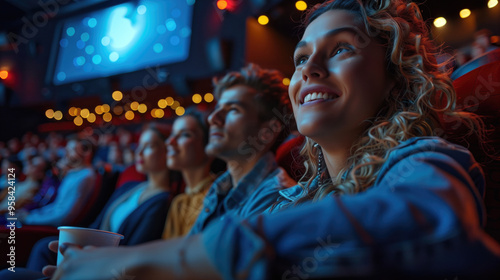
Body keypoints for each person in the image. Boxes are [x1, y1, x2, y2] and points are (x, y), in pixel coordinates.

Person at [45, 0, 500, 279]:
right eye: (301, 59)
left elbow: (433, 217)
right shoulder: (290, 200)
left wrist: (132, 265)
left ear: (395, 79)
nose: (310, 70)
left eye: (341, 48)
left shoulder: (422, 159)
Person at [0, 125, 173, 280]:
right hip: (93, 250)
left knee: (8, 275)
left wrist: (89, 258)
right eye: (139, 146)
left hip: (108, 263)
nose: (139, 153)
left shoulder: (162, 200)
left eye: (148, 146)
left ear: (168, 151)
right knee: (44, 248)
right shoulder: (130, 186)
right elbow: (96, 224)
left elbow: (135, 252)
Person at [185, 63, 296, 235]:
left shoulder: (278, 200)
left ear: (267, 132)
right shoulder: (221, 187)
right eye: (217, 109)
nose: (213, 118)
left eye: (233, 110)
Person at [17, 135, 98, 227]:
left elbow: (63, 218)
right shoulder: (75, 173)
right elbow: (57, 207)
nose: (65, 153)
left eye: (71, 150)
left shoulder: (85, 177)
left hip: (53, 230)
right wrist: (31, 214)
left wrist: (29, 219)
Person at [162, 109, 219, 239]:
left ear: (209, 145)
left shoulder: (217, 195)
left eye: (185, 135)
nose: (170, 142)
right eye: (172, 134)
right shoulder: (179, 203)